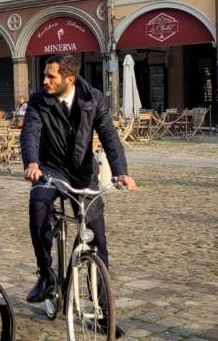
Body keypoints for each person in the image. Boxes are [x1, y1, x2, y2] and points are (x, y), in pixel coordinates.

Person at [20, 54, 136, 339]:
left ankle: (103, 313)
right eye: (45, 76)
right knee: (39, 206)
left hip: (83, 173)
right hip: (49, 168)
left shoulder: (92, 98)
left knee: (96, 237)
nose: (44, 81)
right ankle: (46, 275)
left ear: (69, 80)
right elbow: (30, 133)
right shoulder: (38, 100)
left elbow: (109, 136)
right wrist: (32, 163)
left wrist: (121, 172)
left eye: (51, 77)